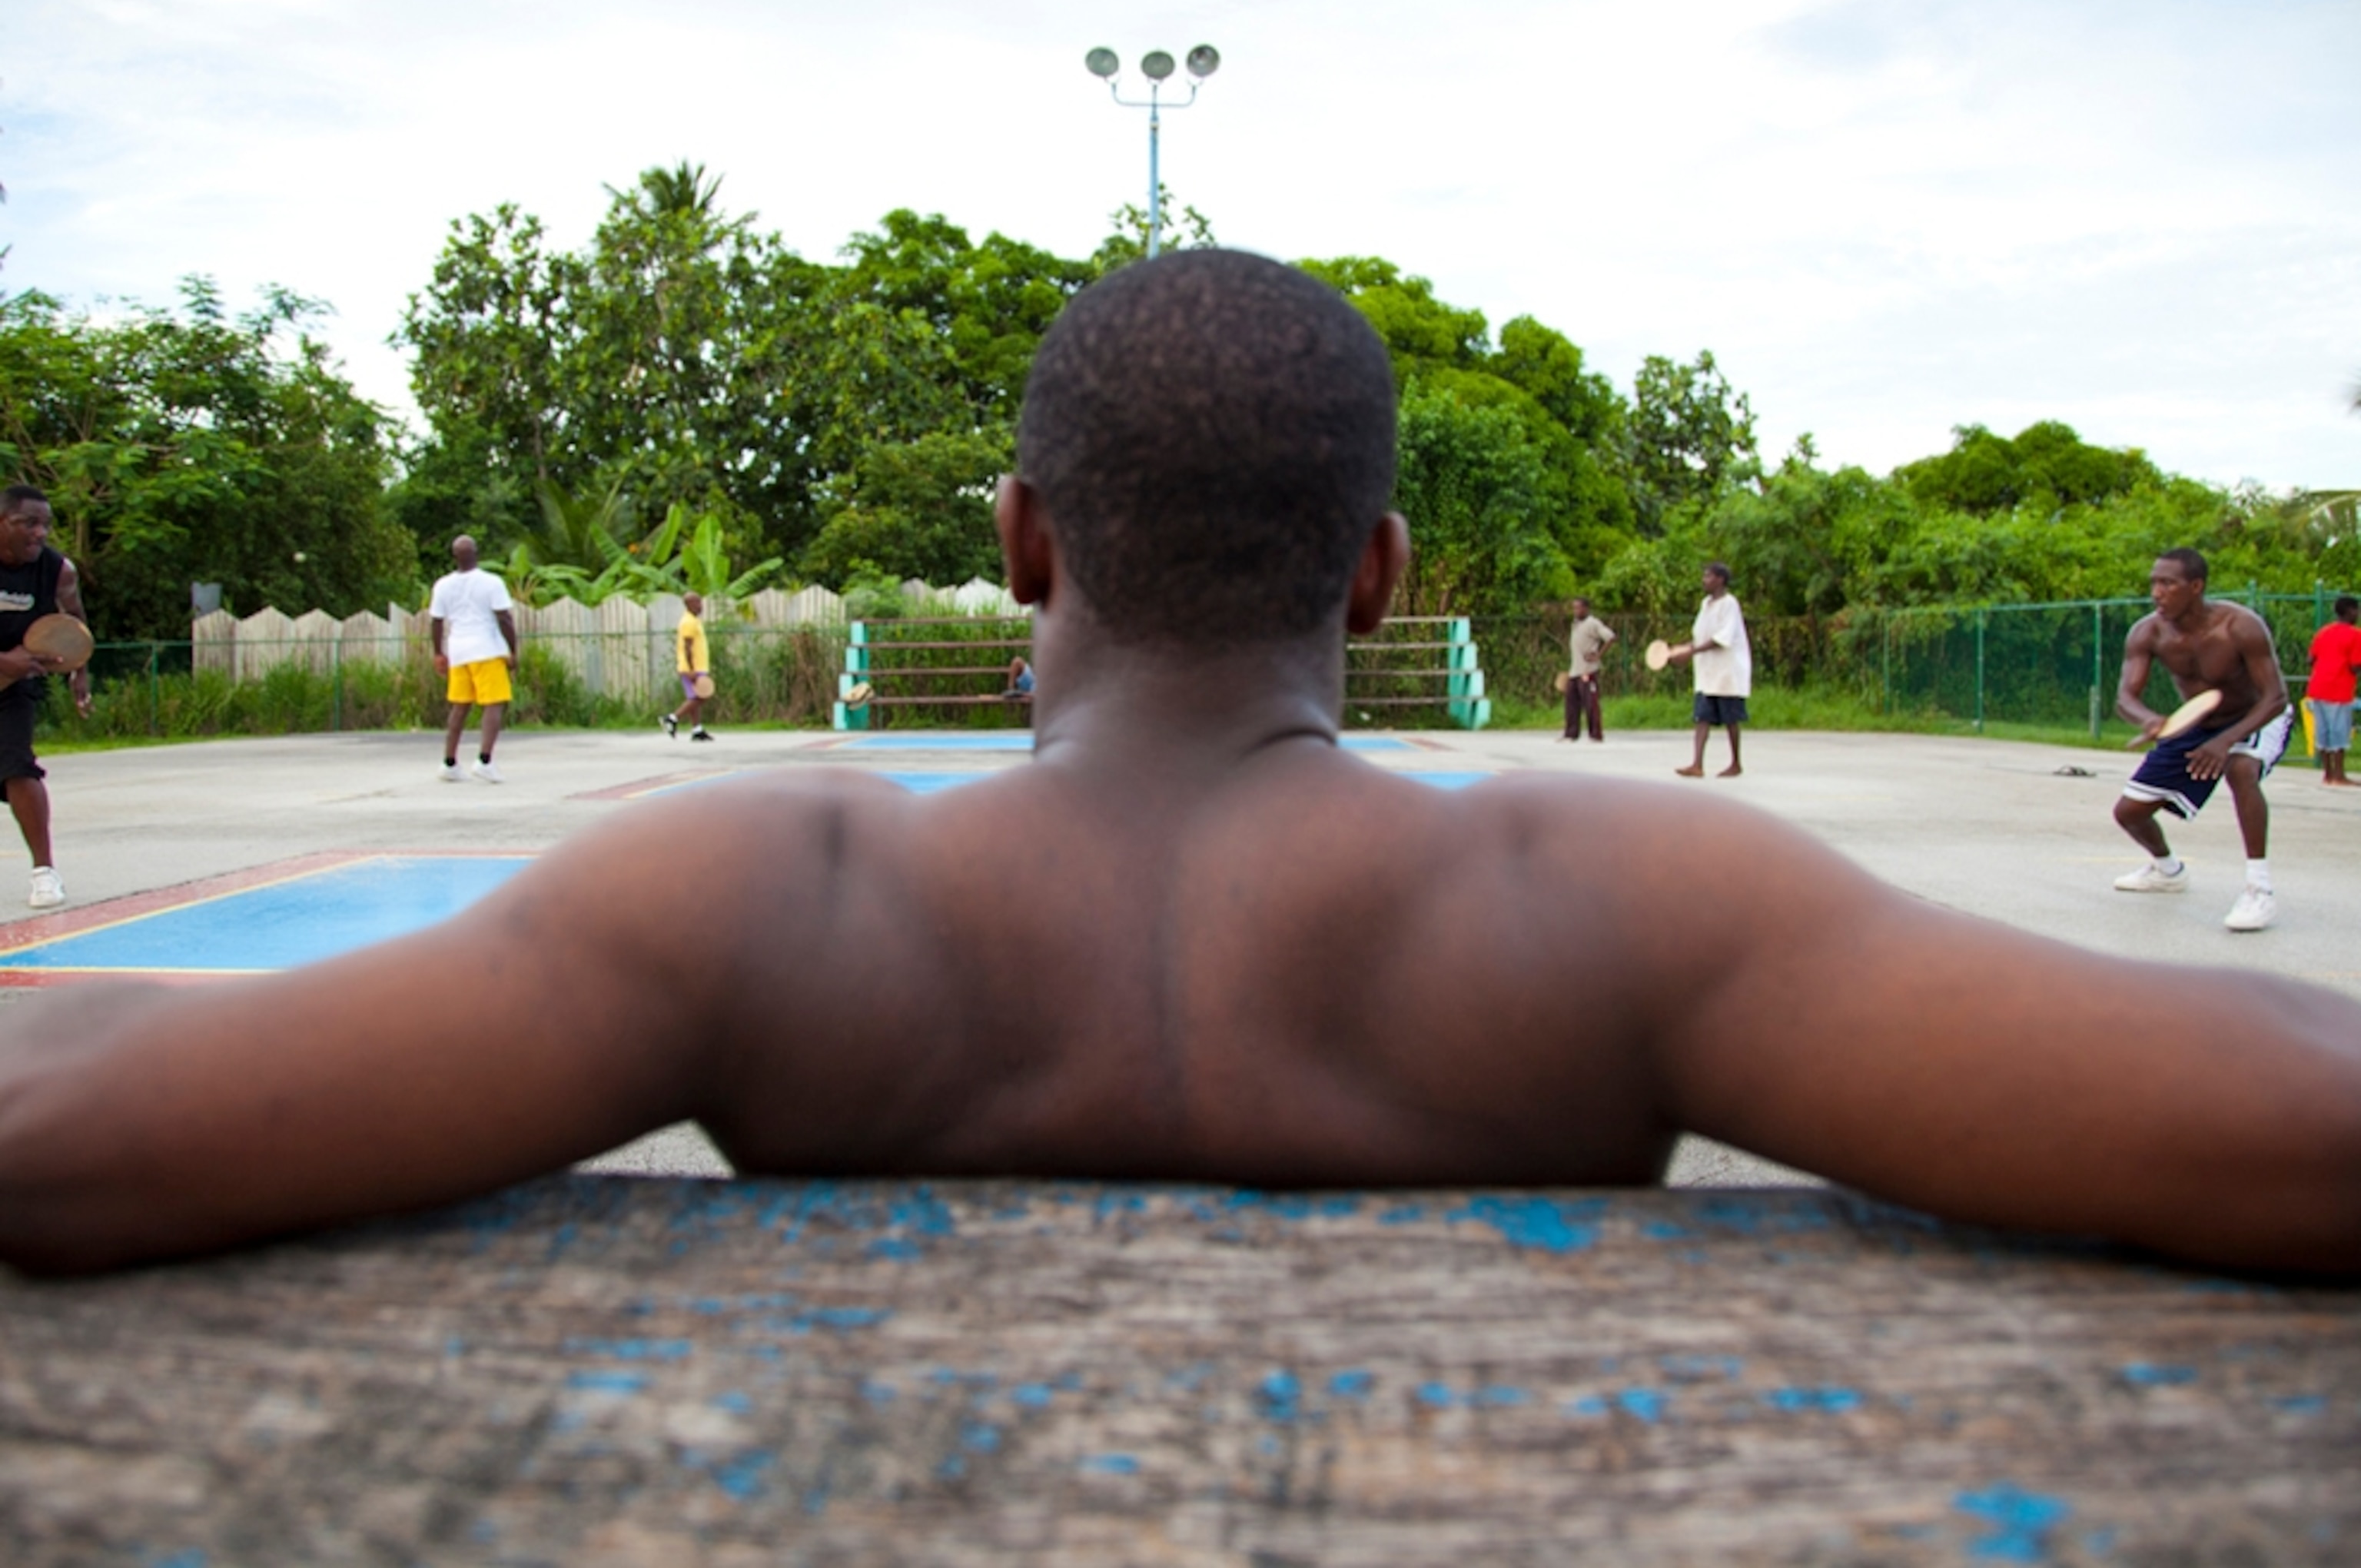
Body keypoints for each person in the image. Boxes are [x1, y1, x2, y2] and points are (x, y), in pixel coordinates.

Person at [4, 252, 2361, 1279]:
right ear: (1377, 578)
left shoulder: (773, 890)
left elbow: (75, 1134)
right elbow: (2290, 1109)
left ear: (1026, 542)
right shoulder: (1604, 894)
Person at [2112, 549, 2294, 932]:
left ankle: (2258, 890)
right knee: (2129, 812)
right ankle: (2168, 871)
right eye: (2153, 583)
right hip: (2200, 721)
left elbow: (2275, 697)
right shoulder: (2148, 632)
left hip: (2256, 715)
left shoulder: (2240, 626)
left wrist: (2225, 742)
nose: (2157, 593)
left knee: (2241, 769)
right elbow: (2125, 698)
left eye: (2168, 583)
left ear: (2196, 587)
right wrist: (2150, 720)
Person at [0, 486, 92, 909]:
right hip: (8, 666)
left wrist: (80, 672)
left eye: (46, 524)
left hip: (16, 686)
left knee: (18, 765)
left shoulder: (58, 571)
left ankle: (44, 873)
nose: (40, 533)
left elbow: (75, 623)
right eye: (29, 523)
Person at [428, 535, 518, 783]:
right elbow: (504, 619)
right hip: (486, 649)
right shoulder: (491, 582)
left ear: (454, 556)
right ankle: (485, 761)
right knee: (494, 704)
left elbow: (436, 622)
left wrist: (438, 652)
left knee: (460, 706)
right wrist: (513, 650)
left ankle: (449, 762)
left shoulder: (443, 585)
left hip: (458, 651)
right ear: (477, 553)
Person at [1669, 563, 1750, 778]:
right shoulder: (1706, 604)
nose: (1704, 580)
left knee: (1730, 720)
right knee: (1702, 718)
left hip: (1727, 673)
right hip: (1707, 674)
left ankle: (1736, 763)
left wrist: (1692, 652)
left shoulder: (1730, 604)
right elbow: (1700, 637)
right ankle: (1697, 764)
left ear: (1721, 580)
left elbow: (1721, 639)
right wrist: (1682, 649)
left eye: (1709, 576)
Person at [2303, 594, 2360, 789]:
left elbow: (2310, 659)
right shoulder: (2355, 635)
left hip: (2318, 687)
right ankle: (2340, 774)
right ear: (2350, 611)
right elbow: (2355, 665)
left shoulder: (2324, 632)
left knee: (2324, 731)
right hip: (2339, 689)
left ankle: (2328, 774)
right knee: (2339, 732)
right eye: (2356, 610)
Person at [662, 593, 716, 742]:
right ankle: (672, 718)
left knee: (694, 697)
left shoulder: (694, 620)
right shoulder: (688, 622)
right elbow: (687, 647)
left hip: (698, 666)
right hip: (693, 667)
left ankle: (697, 730)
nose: (700, 606)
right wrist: (691, 669)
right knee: (701, 696)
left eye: (700, 602)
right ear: (689, 605)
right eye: (696, 603)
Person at [1559, 597, 1614, 742]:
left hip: (1587, 670)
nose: (1575, 611)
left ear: (1586, 609)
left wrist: (1599, 654)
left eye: (1578, 608)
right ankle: (1571, 733)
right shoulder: (1575, 624)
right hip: (1574, 670)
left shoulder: (1593, 623)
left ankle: (1595, 734)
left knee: (1590, 703)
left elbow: (1611, 637)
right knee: (1571, 702)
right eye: (1574, 608)